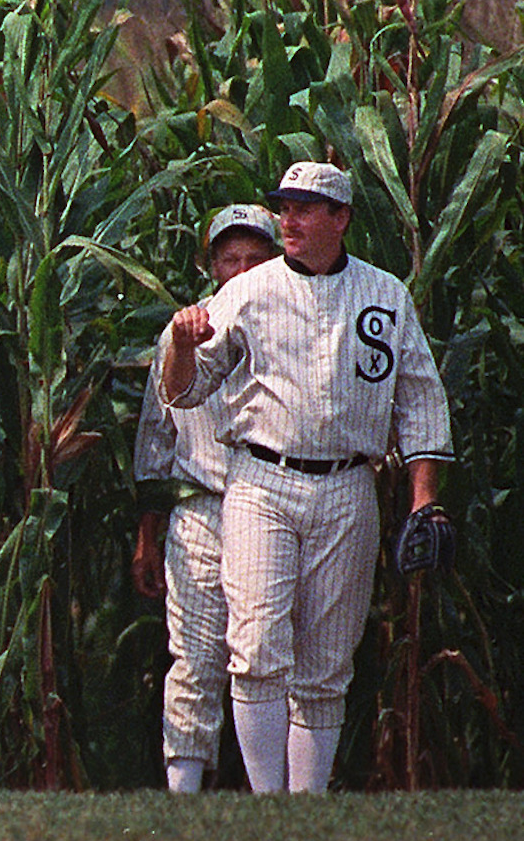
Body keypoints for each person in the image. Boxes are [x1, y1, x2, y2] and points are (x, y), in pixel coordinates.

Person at [161, 162, 450, 793]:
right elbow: (185, 393)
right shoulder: (248, 290)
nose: (288, 220)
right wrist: (183, 344)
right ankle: (271, 806)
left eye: (304, 208)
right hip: (262, 480)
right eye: (284, 208)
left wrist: (424, 499)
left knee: (325, 664)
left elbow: (421, 400)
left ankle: (307, 806)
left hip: (350, 484)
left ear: (341, 218)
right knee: (258, 647)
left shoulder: (385, 294)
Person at [133, 204, 281, 793]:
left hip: (274, 502)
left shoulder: (291, 326)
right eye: (230, 257)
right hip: (200, 507)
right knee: (193, 654)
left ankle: (275, 790)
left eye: (254, 257)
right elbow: (155, 439)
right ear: (211, 262)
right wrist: (146, 535)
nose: (241, 268)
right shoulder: (179, 334)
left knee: (270, 653)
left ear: (274, 259)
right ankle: (184, 791)